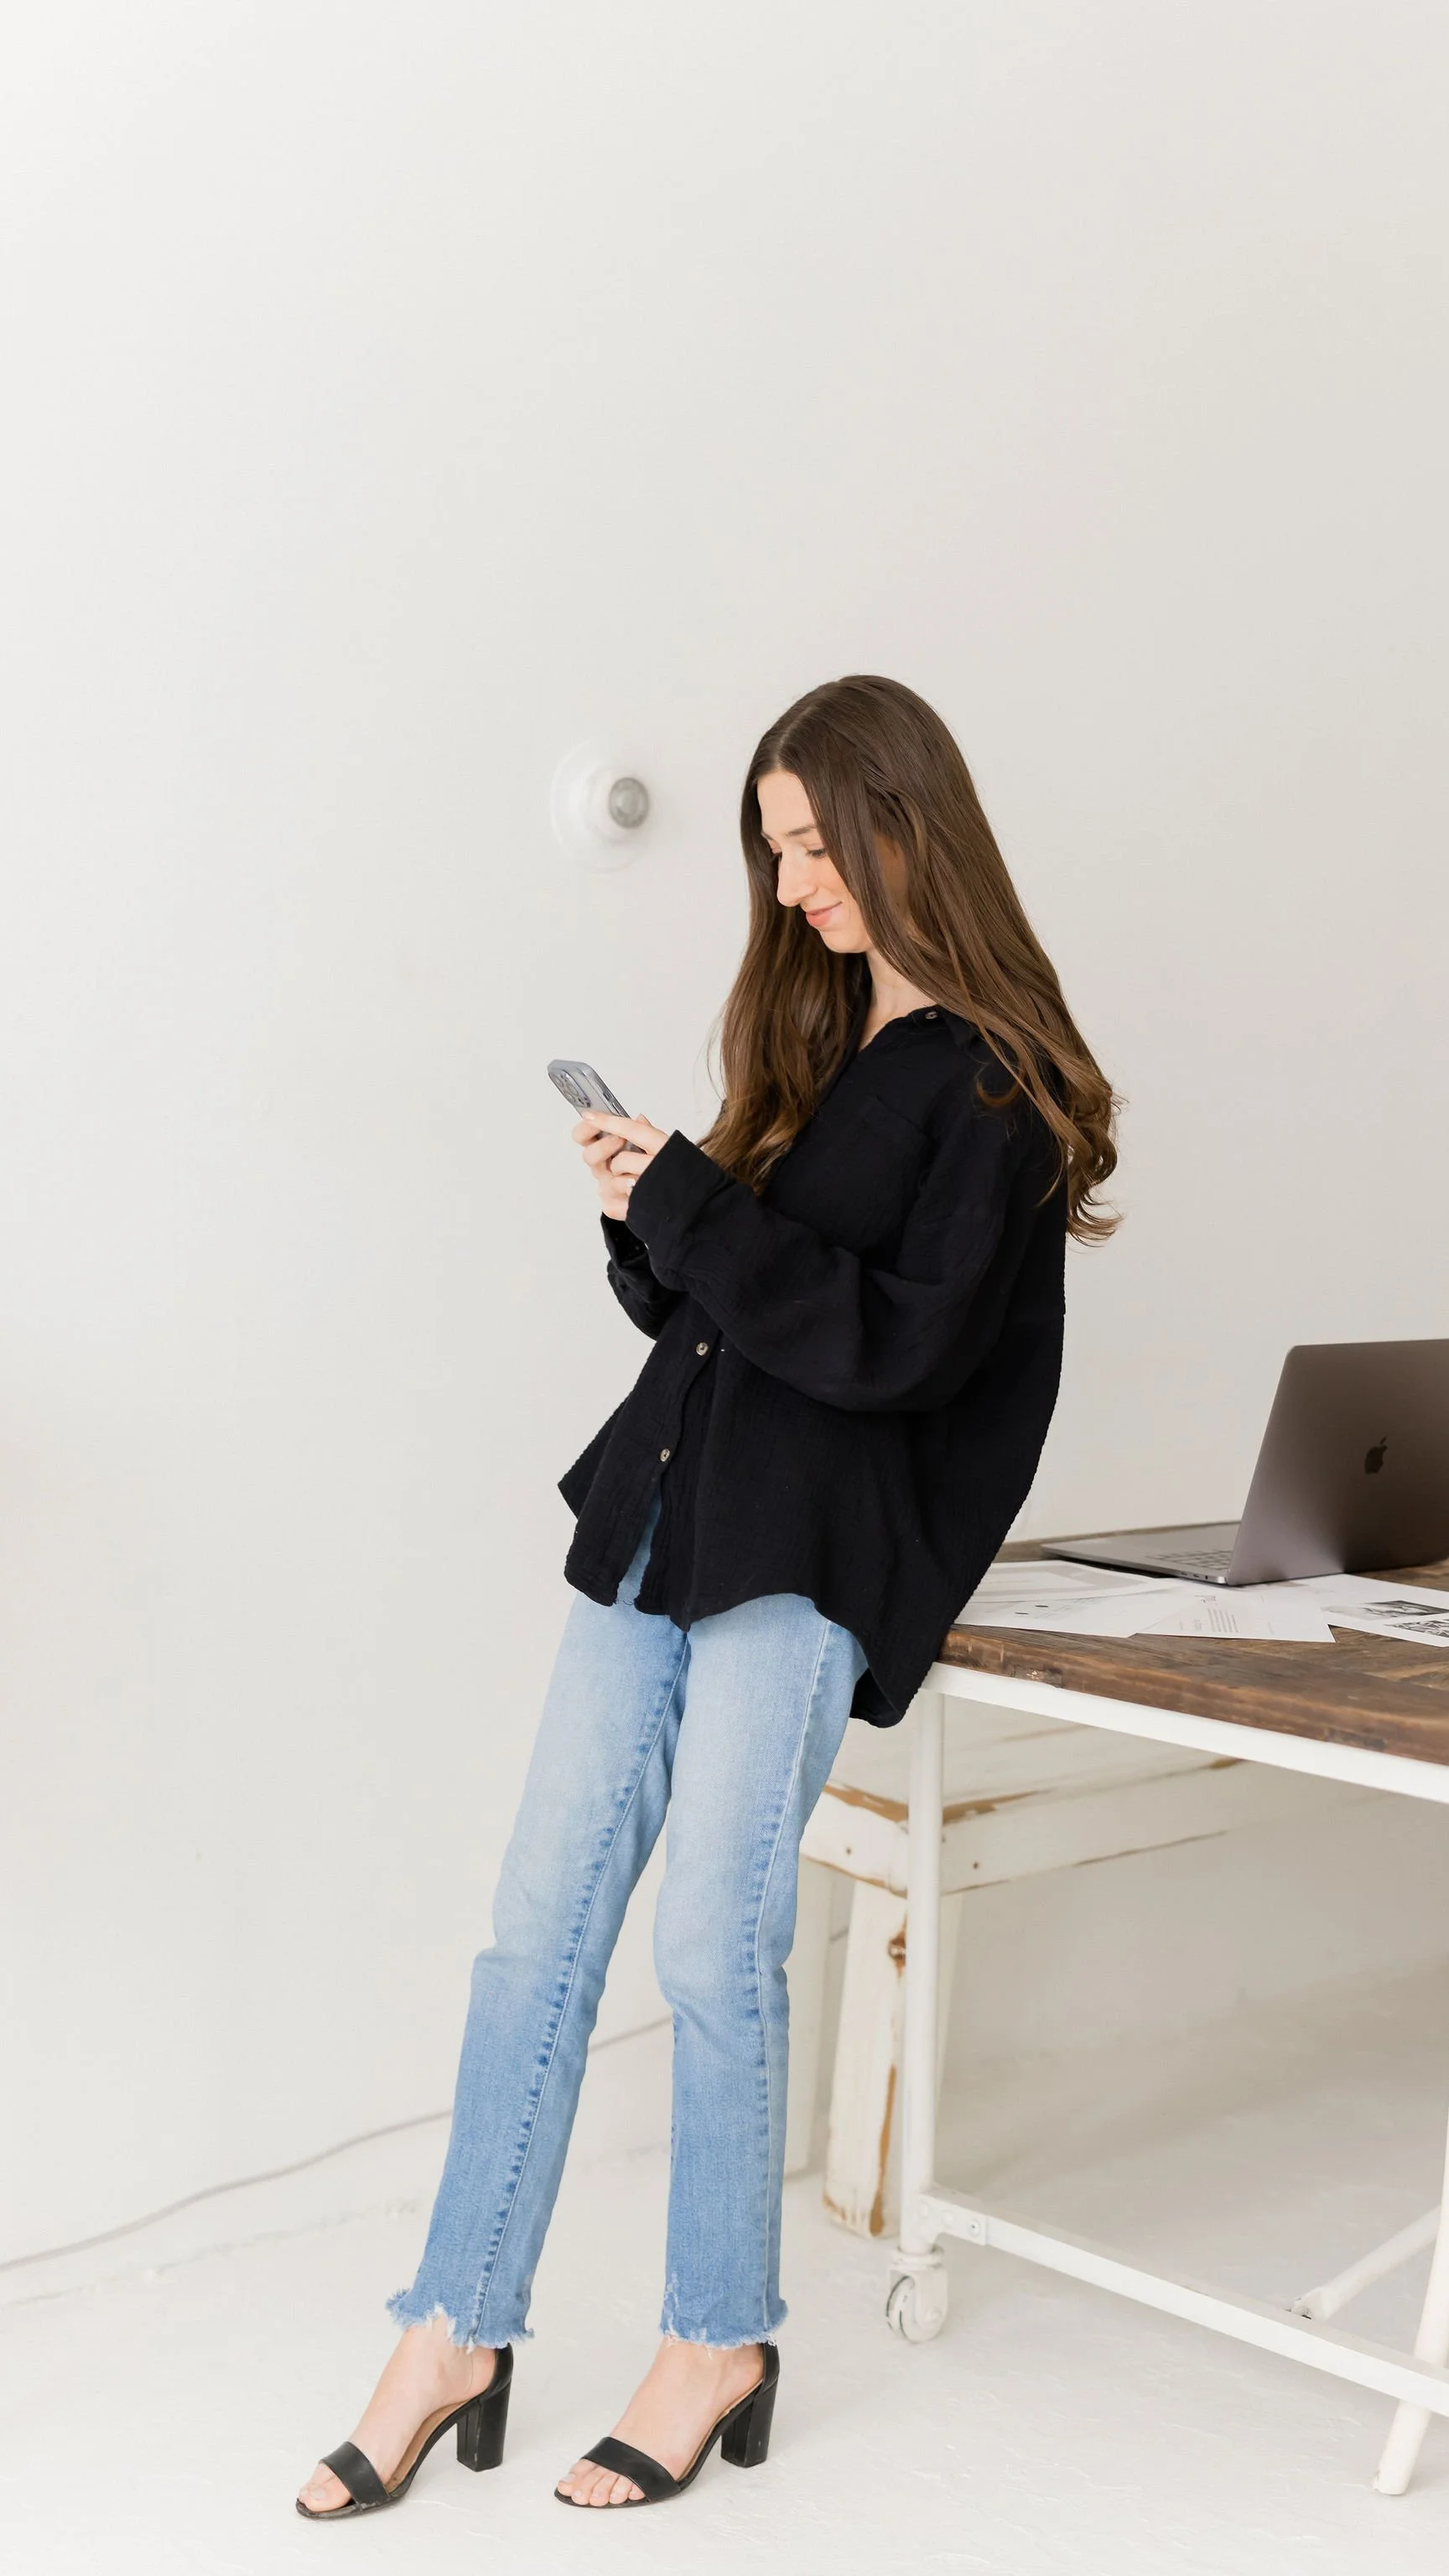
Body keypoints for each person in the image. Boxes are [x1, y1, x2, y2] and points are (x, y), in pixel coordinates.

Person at [297, 673, 1119, 2519]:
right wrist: (642, 1209)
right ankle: (455, 2322)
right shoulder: (831, 1049)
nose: (796, 881)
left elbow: (890, 1351)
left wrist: (695, 1201)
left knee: (706, 1947)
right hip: (663, 1527)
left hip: (804, 1565)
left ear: (912, 825)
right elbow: (733, 1319)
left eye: (818, 841)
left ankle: (715, 2335)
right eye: (776, 849)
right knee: (535, 1936)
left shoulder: (989, 1083)